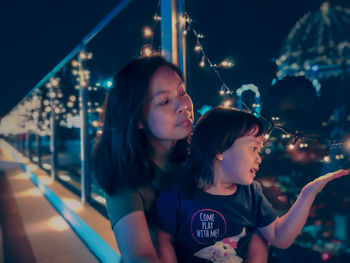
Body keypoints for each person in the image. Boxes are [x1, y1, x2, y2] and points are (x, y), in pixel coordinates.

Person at [93, 56, 269, 262]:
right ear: (137, 118)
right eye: (165, 101)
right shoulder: (123, 176)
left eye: (182, 92)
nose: (183, 106)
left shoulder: (204, 151)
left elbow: (255, 218)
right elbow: (140, 255)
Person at [155, 106, 349, 263]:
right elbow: (163, 242)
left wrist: (308, 193)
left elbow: (279, 237)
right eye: (253, 148)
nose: (259, 159)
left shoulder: (251, 192)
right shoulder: (177, 193)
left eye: (260, 150)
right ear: (219, 149)